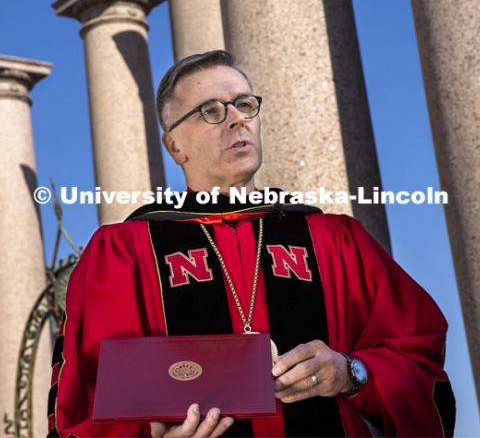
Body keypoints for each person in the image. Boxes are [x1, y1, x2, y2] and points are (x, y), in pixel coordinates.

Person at [48, 50, 456, 437]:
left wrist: (351, 373)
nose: (237, 121)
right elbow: (84, 399)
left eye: (245, 105)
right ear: (174, 145)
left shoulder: (332, 238)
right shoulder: (126, 252)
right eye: (211, 111)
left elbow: (418, 358)